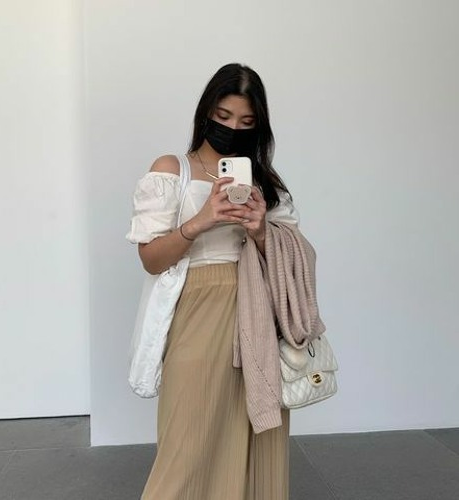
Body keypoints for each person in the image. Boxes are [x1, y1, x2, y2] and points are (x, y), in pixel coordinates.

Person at [126, 63, 299, 500]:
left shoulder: (266, 183)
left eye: (246, 121)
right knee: (187, 446)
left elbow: (293, 261)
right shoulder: (172, 170)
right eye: (223, 116)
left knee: (256, 442)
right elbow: (150, 259)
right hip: (197, 313)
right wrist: (200, 221)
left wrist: (261, 232)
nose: (232, 128)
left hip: (257, 315)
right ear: (206, 112)